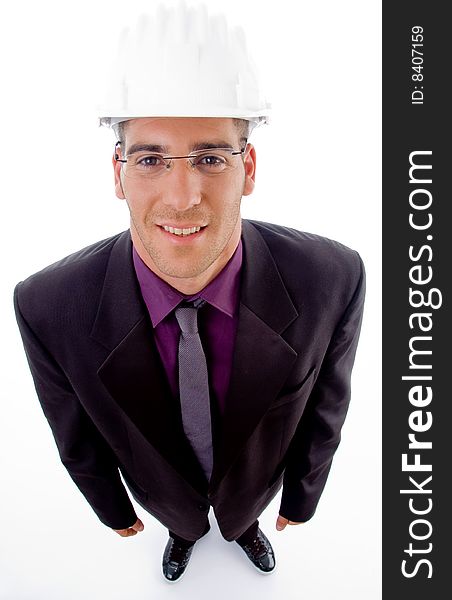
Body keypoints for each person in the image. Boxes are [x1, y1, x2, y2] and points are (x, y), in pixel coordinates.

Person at [13, 2, 365, 584]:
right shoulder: (48, 305)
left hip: (254, 486)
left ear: (248, 167)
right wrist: (113, 510)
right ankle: (184, 535)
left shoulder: (332, 277)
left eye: (209, 157)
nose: (182, 197)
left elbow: (328, 404)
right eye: (151, 158)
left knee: (238, 516)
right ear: (117, 172)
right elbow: (71, 430)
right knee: (185, 520)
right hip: (162, 492)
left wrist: (301, 498)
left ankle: (240, 529)